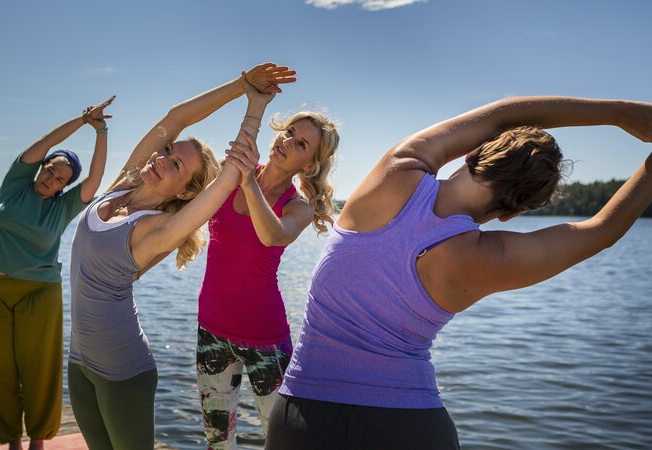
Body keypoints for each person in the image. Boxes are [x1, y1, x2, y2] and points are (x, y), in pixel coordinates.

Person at [265, 96, 652, 450]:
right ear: (513, 212)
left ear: (472, 153)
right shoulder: (490, 257)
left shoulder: (400, 170)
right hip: (408, 426)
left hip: (302, 415)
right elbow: (601, 231)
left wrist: (619, 113)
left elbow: (504, 115)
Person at [66, 63, 295, 450]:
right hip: (78, 361)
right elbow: (176, 118)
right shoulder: (123, 185)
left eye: (175, 165)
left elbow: (228, 178)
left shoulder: (156, 230)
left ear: (187, 193)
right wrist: (240, 85)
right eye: (167, 152)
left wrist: (255, 108)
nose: (161, 159)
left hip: (123, 369)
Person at [196, 89, 340, 448]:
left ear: (308, 166)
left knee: (282, 439)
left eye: (302, 144)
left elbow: (273, 236)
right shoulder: (233, 177)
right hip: (211, 328)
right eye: (290, 132)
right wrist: (256, 102)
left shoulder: (298, 208)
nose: (288, 141)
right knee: (218, 440)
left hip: (265, 341)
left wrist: (247, 181)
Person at [0, 96, 115, 450]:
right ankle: (11, 440)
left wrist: (101, 132)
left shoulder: (64, 207)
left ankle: (38, 439)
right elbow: (43, 144)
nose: (51, 178)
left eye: (60, 178)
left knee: (39, 369)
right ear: (42, 166)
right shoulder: (15, 183)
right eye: (50, 169)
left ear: (65, 186)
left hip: (39, 292)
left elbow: (95, 179)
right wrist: (83, 120)